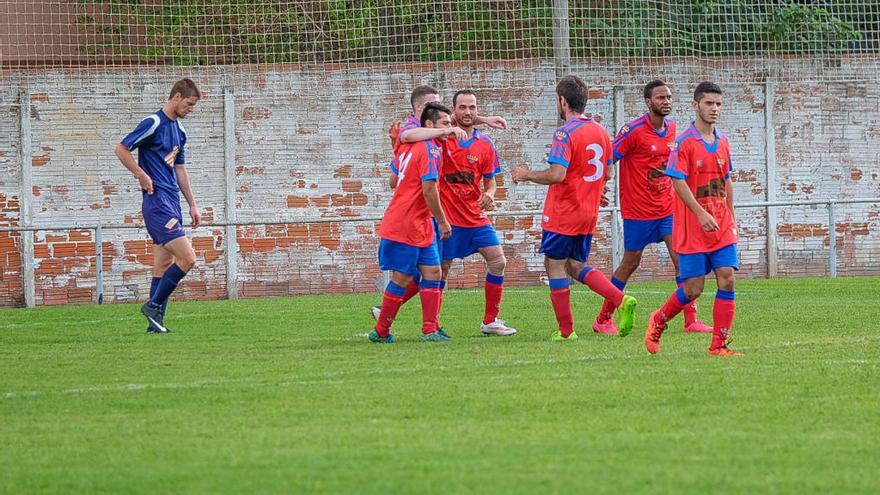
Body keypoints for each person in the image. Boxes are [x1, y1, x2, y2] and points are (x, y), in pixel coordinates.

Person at [512, 75, 637, 341]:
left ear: (562, 101)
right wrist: (594, 192)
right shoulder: (601, 132)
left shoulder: (565, 132)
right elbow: (608, 173)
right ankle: (620, 300)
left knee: (554, 265)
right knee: (575, 265)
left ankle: (567, 332)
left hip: (564, 211)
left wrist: (526, 174)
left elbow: (557, 174)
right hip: (587, 213)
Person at [592, 80, 712, 335]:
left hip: (667, 209)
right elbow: (607, 159)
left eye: (668, 97)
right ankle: (603, 318)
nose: (666, 101)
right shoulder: (633, 130)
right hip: (638, 212)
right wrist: (601, 186)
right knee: (630, 263)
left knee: (682, 260)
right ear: (648, 102)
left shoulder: (674, 131)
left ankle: (690, 320)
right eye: (660, 98)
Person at [645, 81, 741, 357]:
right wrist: (700, 213)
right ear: (696, 105)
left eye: (718, 104)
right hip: (693, 226)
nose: (714, 109)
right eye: (709, 103)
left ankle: (719, 345)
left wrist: (731, 216)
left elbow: (727, 181)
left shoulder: (723, 142)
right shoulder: (685, 142)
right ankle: (659, 320)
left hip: (720, 223)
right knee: (693, 288)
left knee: (727, 278)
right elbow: (677, 181)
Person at [115, 78, 202, 334]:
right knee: (188, 258)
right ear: (176, 97)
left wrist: (193, 205)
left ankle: (155, 325)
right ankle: (153, 306)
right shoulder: (153, 123)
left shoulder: (181, 132)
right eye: (188, 104)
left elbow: (180, 170)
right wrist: (139, 173)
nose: (190, 109)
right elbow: (121, 148)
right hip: (157, 202)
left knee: (162, 266)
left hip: (172, 202)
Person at [369, 102, 454, 343]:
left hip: (420, 221)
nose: (449, 129)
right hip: (405, 221)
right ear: (430, 125)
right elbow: (429, 191)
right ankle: (381, 331)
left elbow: (393, 180)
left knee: (433, 272)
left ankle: (430, 330)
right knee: (403, 278)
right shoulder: (430, 150)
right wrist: (443, 221)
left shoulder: (412, 146)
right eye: (445, 124)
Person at [438, 90, 516, 336]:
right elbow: (426, 123)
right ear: (453, 110)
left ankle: (490, 321)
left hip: (475, 218)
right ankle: (431, 321)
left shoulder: (485, 145)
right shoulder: (442, 138)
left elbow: (491, 183)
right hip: (448, 219)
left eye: (472, 107)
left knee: (498, 261)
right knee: (439, 270)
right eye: (462, 107)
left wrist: (490, 194)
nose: (468, 112)